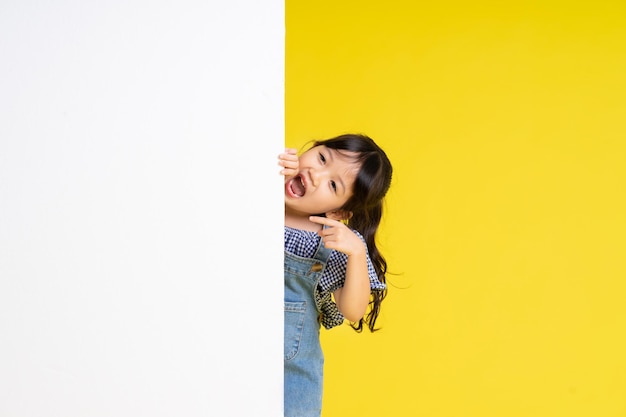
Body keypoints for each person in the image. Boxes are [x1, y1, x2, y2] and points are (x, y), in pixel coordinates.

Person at [278, 133, 393, 417]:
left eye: (332, 184)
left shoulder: (329, 241)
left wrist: (356, 254)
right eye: (321, 158)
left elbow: (352, 311)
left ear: (338, 211)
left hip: (291, 372)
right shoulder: (261, 187)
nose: (315, 175)